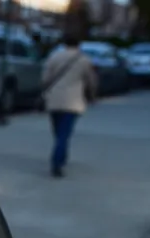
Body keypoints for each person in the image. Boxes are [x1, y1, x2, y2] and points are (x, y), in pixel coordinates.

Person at [41, 35, 97, 178]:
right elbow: (90, 80)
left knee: (58, 132)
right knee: (64, 133)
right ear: (79, 44)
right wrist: (92, 95)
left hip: (54, 100)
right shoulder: (84, 60)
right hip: (73, 102)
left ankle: (61, 156)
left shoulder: (54, 56)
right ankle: (57, 162)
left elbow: (45, 78)